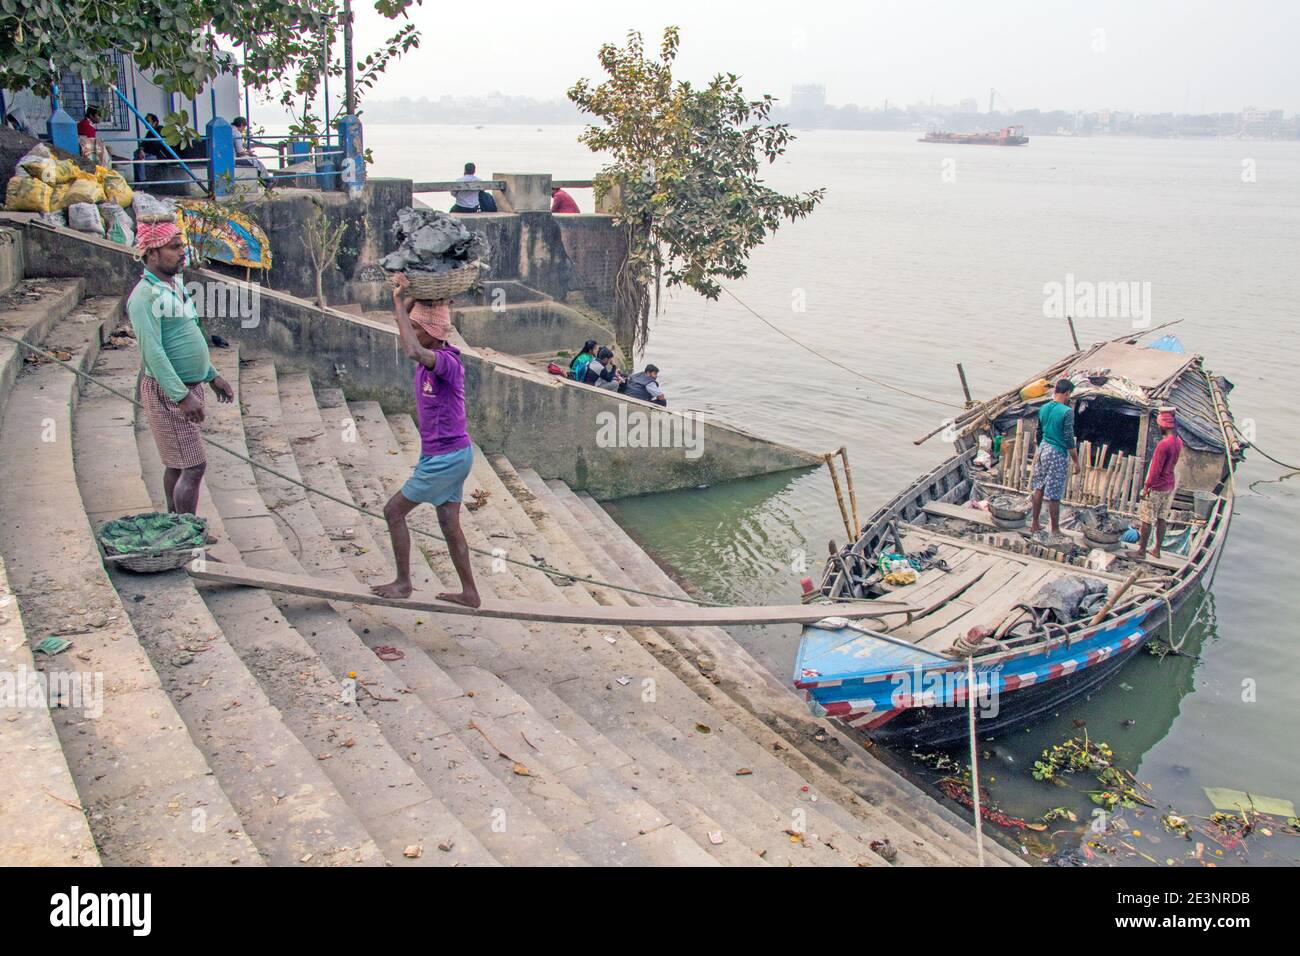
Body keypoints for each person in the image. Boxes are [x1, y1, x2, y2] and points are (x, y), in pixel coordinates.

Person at [372, 274, 480, 607]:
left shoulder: (446, 362)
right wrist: (408, 293)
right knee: (449, 524)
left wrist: (398, 302)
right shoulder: (429, 354)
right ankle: (470, 593)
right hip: (446, 455)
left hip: (447, 457)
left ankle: (404, 583)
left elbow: (411, 349)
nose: (411, 333)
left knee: (393, 512)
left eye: (418, 329)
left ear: (432, 334)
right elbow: (406, 328)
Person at [128, 220, 235, 516]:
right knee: (194, 466)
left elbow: (188, 332)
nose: (182, 253)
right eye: (174, 248)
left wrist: (212, 375)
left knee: (178, 464)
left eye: (181, 246)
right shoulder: (144, 297)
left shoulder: (173, 285)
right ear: (152, 253)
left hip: (188, 387)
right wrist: (182, 396)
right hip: (169, 393)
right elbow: (153, 353)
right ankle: (188, 531)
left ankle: (176, 525)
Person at [1028, 379, 1079, 535]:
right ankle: (1055, 529)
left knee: (1039, 487)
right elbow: (1068, 438)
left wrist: (1041, 448)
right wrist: (1076, 461)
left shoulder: (1044, 408)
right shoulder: (1067, 412)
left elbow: (1039, 431)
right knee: (1055, 493)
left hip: (1043, 448)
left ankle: (1035, 523)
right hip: (1057, 452)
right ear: (1067, 393)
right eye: (1070, 394)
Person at [1136, 408, 1183, 560]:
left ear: (1164, 425)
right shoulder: (1178, 441)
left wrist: (1146, 487)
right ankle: (1157, 549)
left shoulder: (1164, 444)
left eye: (1159, 424)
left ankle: (1141, 551)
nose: (1158, 426)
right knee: (1161, 518)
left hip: (1157, 486)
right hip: (1169, 484)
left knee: (1146, 519)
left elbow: (1155, 470)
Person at [230, 117, 272, 185]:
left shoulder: (229, 130)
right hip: (234, 159)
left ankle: (266, 182)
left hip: (228, 157)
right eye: (244, 127)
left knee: (254, 163)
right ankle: (268, 181)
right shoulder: (236, 133)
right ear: (241, 125)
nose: (244, 129)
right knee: (256, 163)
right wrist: (248, 153)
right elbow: (240, 152)